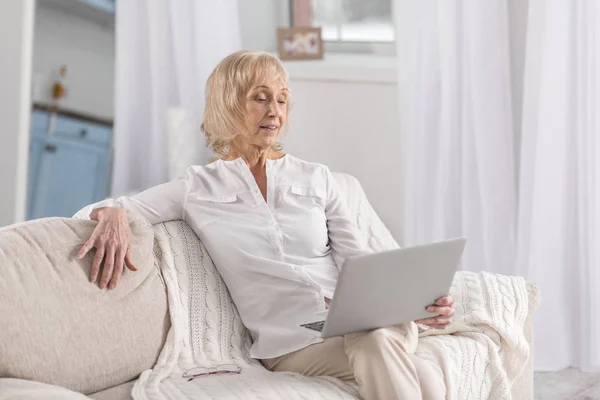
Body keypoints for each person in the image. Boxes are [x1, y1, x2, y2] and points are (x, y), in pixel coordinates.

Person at [75, 50, 453, 400]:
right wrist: (111, 214)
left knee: (391, 350)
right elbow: (102, 209)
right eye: (260, 97)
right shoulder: (197, 188)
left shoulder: (317, 178)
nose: (275, 110)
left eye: (282, 99)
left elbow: (360, 264)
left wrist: (414, 305)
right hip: (293, 345)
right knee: (412, 369)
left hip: (364, 323)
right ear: (229, 103)